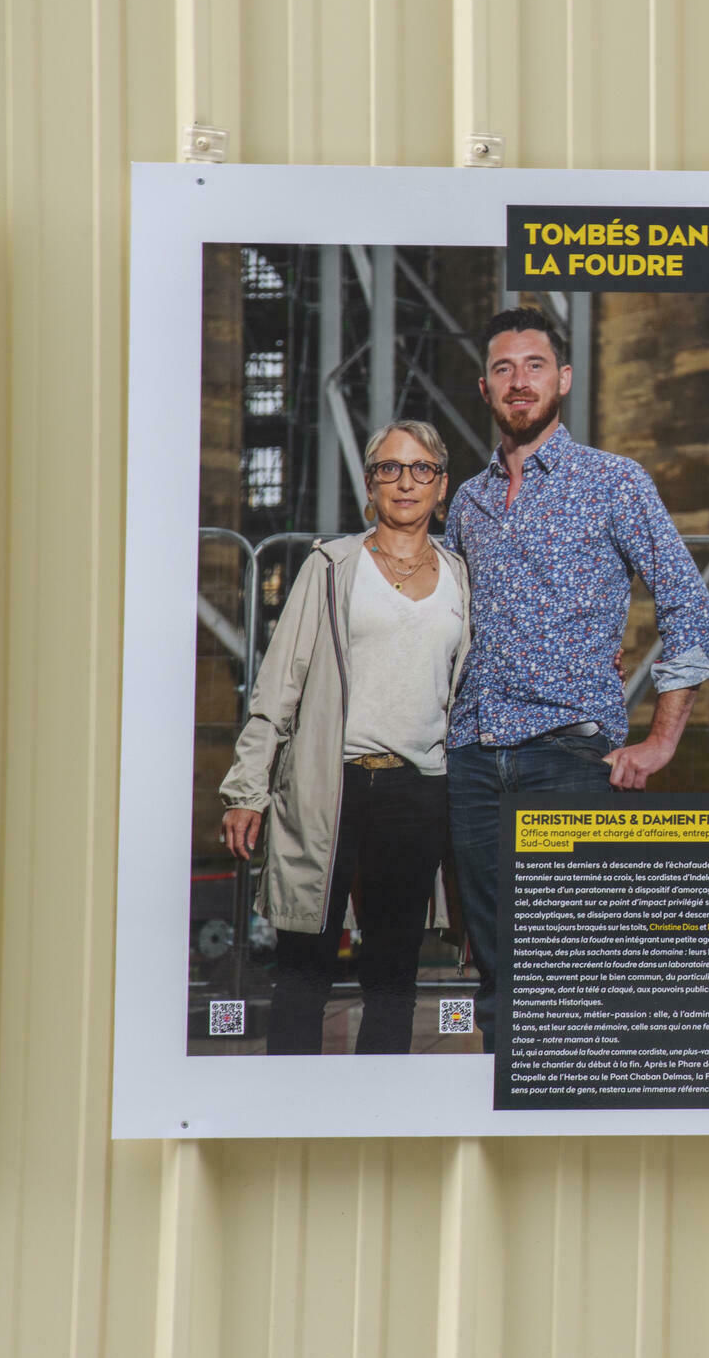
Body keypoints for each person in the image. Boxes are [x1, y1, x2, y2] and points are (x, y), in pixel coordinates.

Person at [443, 306, 709, 1049]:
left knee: (572, 974)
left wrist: (662, 739)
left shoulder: (612, 481)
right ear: (485, 387)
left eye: (534, 365)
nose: (519, 381)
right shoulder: (465, 503)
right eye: (503, 369)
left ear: (562, 379)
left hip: (567, 753)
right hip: (473, 757)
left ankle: (580, 1134)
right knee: (497, 978)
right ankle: (507, 1129)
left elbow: (690, 606)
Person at [219, 421, 472, 1054]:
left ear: (442, 485)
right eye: (389, 468)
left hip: (419, 791)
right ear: (371, 483)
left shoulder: (463, 577)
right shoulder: (331, 566)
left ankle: (376, 1115)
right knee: (305, 968)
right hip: (330, 785)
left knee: (393, 975)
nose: (405, 482)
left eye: (420, 469)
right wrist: (246, 789)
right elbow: (277, 686)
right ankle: (289, 1115)